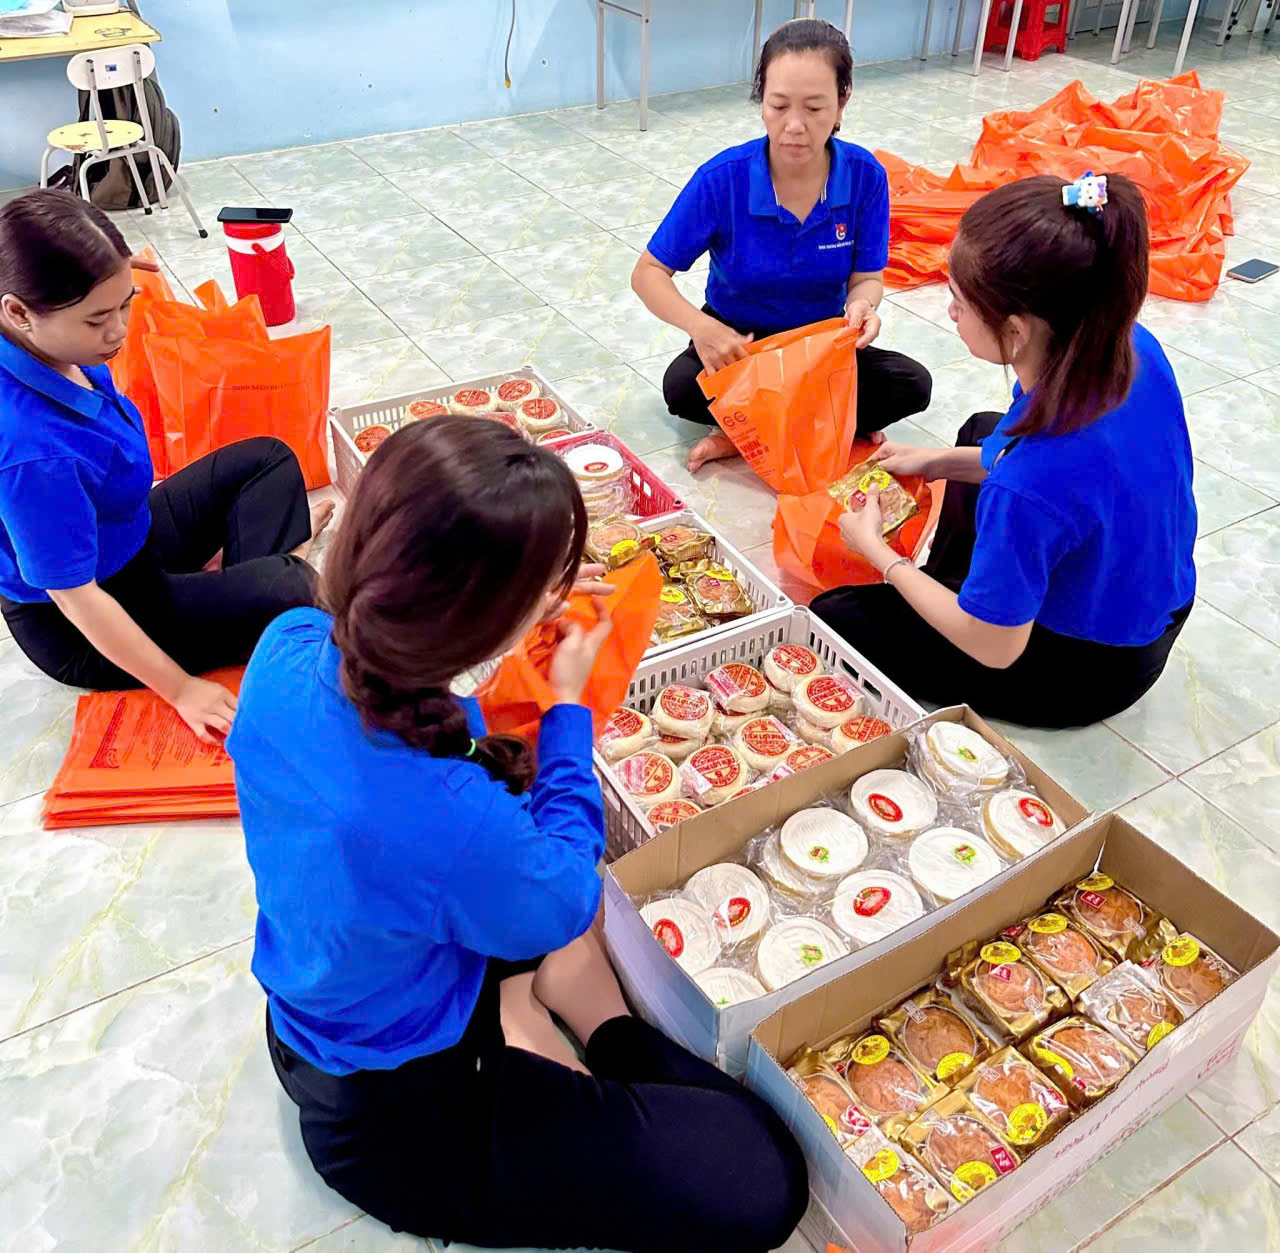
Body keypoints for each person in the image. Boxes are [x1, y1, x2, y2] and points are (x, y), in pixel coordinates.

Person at [227, 417, 808, 1253]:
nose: (553, 598)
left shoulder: (289, 643)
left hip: (322, 1012)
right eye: (539, 588)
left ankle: (540, 1005)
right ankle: (599, 1024)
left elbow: (435, 777)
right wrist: (567, 705)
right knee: (762, 1175)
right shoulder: (449, 822)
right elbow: (564, 895)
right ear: (475, 624)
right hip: (397, 1114)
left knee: (503, 867)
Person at [812, 172, 1196, 729]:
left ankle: (956, 594)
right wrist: (935, 462)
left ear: (1015, 332)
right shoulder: (1126, 344)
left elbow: (996, 647)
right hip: (1156, 607)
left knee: (836, 617)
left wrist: (881, 555)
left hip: (1088, 669)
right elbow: (1059, 471)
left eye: (959, 301)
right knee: (982, 431)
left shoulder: (1032, 480)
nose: (950, 313)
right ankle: (958, 582)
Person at [0, 189, 330, 742]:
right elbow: (76, 598)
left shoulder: (42, 338)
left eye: (124, 303)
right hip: (88, 620)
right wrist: (180, 689)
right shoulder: (32, 453)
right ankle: (263, 584)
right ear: (18, 312)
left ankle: (250, 588)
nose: (118, 330)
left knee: (267, 459)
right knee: (296, 587)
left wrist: (107, 267)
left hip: (130, 536)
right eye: (97, 319)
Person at [632, 19, 931, 473]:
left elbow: (867, 278)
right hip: (740, 346)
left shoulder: (865, 176)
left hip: (820, 346)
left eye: (814, 108)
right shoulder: (723, 178)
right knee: (682, 387)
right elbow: (648, 274)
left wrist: (862, 306)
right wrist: (701, 327)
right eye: (778, 106)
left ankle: (749, 431)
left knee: (911, 385)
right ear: (761, 102)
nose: (794, 126)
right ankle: (823, 422)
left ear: (842, 102)